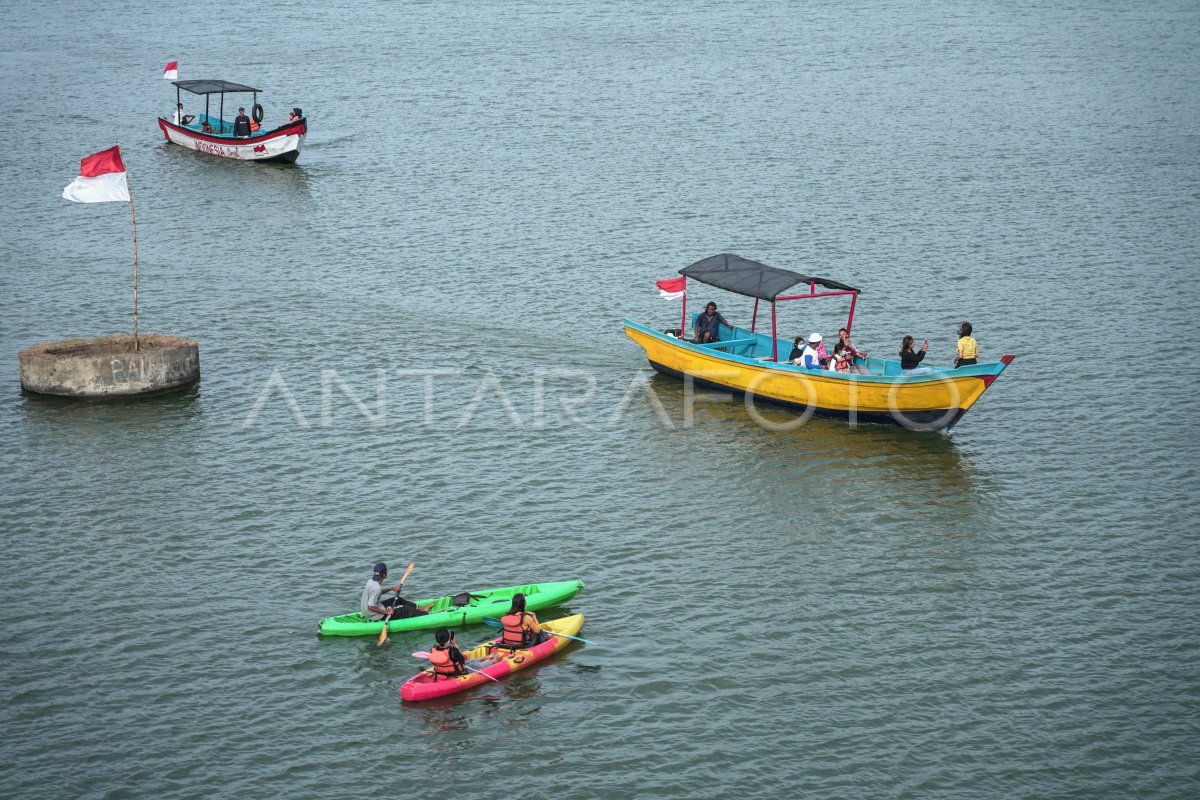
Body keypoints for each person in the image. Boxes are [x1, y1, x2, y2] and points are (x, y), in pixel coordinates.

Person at [360, 562, 433, 623]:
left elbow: (376, 593)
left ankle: (422, 608)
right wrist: (386, 612)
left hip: (369, 610)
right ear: (385, 575)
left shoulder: (371, 581)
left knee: (398, 599)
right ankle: (426, 615)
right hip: (374, 614)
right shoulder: (376, 587)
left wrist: (391, 588)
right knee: (406, 609)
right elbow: (370, 607)